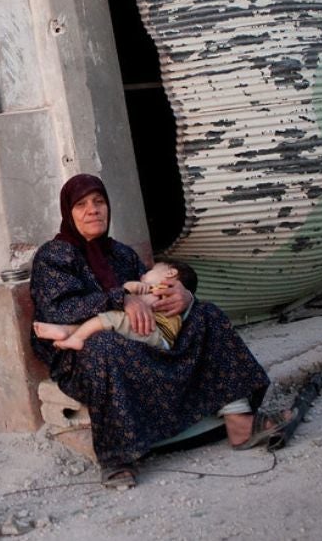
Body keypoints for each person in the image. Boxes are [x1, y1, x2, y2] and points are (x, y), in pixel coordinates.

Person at [29, 174, 285, 489]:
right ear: (68, 212)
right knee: (104, 345)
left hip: (144, 338)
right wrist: (121, 298)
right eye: (81, 205)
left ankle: (239, 422)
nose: (92, 210)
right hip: (83, 353)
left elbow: (154, 289)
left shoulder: (122, 254)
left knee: (207, 314)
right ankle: (117, 457)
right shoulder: (54, 256)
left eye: (99, 202)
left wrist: (183, 296)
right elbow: (57, 310)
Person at [32, 260, 193, 350]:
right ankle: (68, 330)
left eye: (150, 270)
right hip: (148, 333)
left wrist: (130, 291)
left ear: (170, 273)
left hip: (154, 333)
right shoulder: (56, 255)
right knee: (107, 322)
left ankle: (76, 337)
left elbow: (146, 304)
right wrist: (125, 293)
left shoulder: (166, 289)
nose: (143, 274)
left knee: (112, 318)